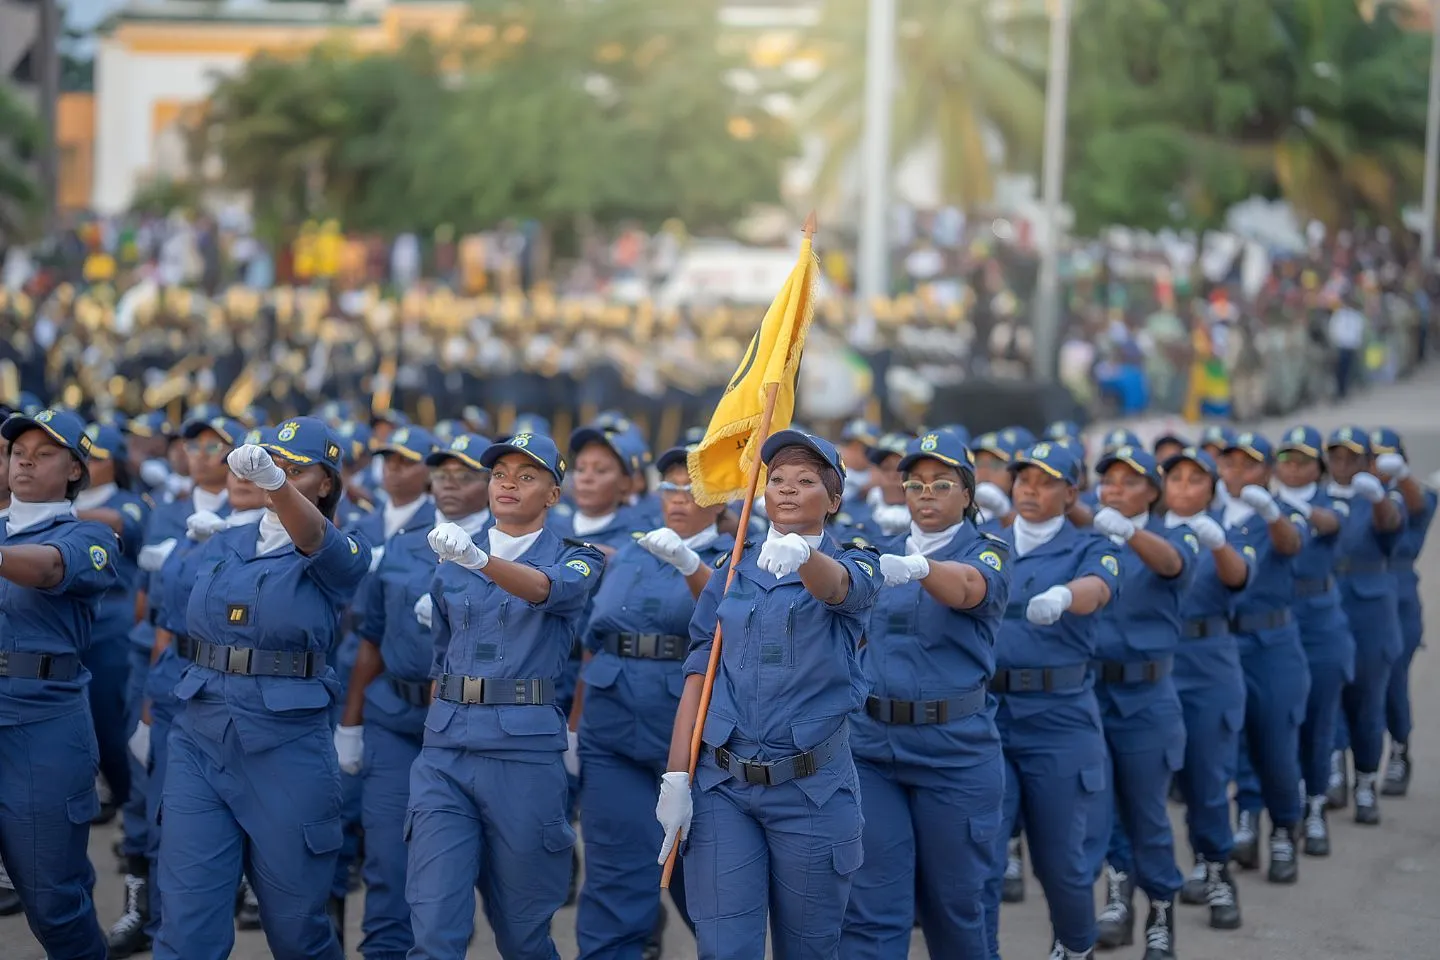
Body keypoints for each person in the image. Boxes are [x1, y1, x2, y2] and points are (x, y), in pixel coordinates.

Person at [658, 430, 882, 960]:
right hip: (724, 788)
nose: (786, 489)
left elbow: (839, 589)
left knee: (809, 949)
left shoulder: (859, 561)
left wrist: (803, 554)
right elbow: (700, 672)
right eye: (776, 479)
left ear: (833, 500)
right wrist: (675, 777)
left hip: (811, 790)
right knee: (724, 947)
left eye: (806, 481)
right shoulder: (733, 567)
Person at [153, 418, 371, 960]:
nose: (281, 474)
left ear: (326, 484)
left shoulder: (343, 550)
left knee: (296, 930)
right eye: (273, 461)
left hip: (284, 744)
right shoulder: (223, 541)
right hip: (201, 734)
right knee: (186, 927)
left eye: (297, 468)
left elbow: (316, 538)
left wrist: (276, 484)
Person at [406, 432, 604, 960]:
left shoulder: (577, 556)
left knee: (521, 933)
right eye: (498, 474)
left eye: (527, 475)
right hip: (446, 751)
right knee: (432, 927)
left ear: (553, 494)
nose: (508, 484)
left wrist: (479, 561)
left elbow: (549, 590)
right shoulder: (451, 561)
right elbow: (442, 657)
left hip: (521, 753)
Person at [840, 430, 1011, 960]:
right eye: (916, 484)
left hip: (954, 751)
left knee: (956, 906)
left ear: (968, 494)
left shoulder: (990, 550)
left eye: (942, 483)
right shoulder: (878, 551)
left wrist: (921, 568)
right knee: (871, 909)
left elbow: (967, 589)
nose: (927, 494)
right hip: (873, 749)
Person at [573, 443, 731, 960]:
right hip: (612, 729)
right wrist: (573, 728)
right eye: (669, 487)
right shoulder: (633, 549)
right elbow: (592, 643)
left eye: (692, 488)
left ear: (722, 498)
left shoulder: (740, 554)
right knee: (615, 876)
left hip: (690, 743)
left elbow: (733, 621)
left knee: (706, 886)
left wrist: (690, 564)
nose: (679, 498)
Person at [340, 430, 490, 960]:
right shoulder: (407, 543)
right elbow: (371, 639)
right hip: (395, 716)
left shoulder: (507, 547)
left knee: (462, 871)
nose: (450, 483)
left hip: (471, 724)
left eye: (464, 474)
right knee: (385, 856)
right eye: (443, 473)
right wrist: (351, 724)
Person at [120, 449, 269, 957]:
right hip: (179, 689)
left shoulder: (293, 544)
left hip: (250, 699)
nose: (240, 479)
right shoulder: (196, 537)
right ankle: (158, 919)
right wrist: (148, 710)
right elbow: (164, 625)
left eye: (256, 470)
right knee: (169, 828)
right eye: (235, 469)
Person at [978, 440, 1120, 960]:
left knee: (1062, 863)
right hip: (989, 717)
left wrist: (1065, 596)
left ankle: (1076, 947)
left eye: (1046, 482)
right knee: (983, 857)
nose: (1031, 490)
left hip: (1058, 719)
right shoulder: (987, 543)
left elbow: (1099, 586)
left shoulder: (1088, 544)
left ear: (1071, 492)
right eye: (1024, 480)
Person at [0, 407, 121, 956]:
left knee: (52, 901)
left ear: (75, 469)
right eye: (17, 450)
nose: (25, 459)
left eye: (44, 452)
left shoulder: (90, 537)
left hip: (42, 723)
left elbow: (47, 569)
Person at [1088, 447, 1194, 958]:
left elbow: (1172, 565)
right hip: (1091, 692)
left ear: (1153, 491)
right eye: (1107, 481)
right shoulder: (1088, 539)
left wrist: (1128, 531)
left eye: (1128, 483)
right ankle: (1118, 897)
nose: (1114, 490)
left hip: (1145, 696)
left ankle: (1161, 910)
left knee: (1147, 811)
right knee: (1102, 808)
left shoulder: (1173, 534)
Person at [1159, 447, 1248, 929]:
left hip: (1208, 664)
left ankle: (1216, 871)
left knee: (1206, 781)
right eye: (1176, 479)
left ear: (1213, 489)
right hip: (1154, 666)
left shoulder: (1232, 530)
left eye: (1197, 480)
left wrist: (1216, 544)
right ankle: (1134, 887)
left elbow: (1238, 578)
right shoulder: (1145, 532)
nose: (1186, 487)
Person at [1216, 432, 1310, 884]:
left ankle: (1284, 827)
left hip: (1271, 643)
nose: (1236, 473)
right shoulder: (1209, 515)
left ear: (1267, 472)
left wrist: (1270, 512)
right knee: (1232, 745)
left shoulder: (1285, 514)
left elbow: (1291, 545)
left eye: (1249, 465)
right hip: (1222, 644)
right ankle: (1247, 819)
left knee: (1275, 745)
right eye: (1230, 463)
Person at [1269, 427, 1349, 856]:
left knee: (1319, 721)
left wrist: (1291, 510)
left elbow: (1331, 523)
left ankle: (1315, 804)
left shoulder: (1332, 501)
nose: (1293, 468)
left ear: (1318, 468)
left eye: (1303, 461)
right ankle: (1282, 812)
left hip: (1318, 620)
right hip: (1278, 621)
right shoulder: (1264, 506)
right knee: (1278, 726)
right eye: (1286, 460)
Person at [1321, 426, 1403, 825]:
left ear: (1367, 462)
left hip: (1370, 613)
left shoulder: (1376, 499)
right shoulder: (1317, 499)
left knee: (1368, 703)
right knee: (1329, 697)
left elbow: (1391, 525)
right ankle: (1334, 769)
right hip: (1328, 609)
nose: (1342, 465)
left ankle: (1366, 782)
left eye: (1351, 457)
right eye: (1335, 456)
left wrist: (1377, 495)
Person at [1372, 428, 1435, 795]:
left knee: (1394, 680)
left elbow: (1420, 507)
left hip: (1398, 600)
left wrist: (1402, 477)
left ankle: (1399, 749)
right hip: (1355, 601)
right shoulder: (1358, 495)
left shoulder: (1415, 496)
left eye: (1388, 458)